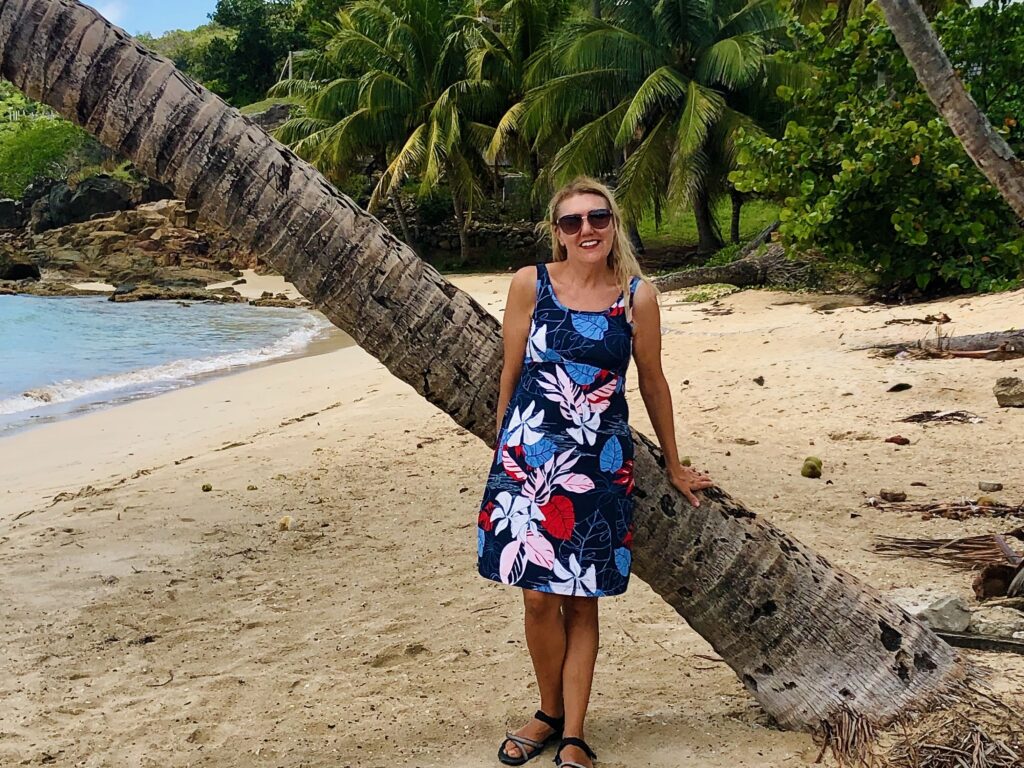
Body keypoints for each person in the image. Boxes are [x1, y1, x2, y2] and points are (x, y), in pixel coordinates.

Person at [476, 177, 713, 767]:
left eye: (597, 218)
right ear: (557, 233)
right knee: (538, 599)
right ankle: (548, 712)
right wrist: (503, 447)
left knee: (582, 600)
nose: (586, 229)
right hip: (529, 459)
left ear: (613, 225)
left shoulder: (636, 296)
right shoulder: (530, 284)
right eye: (572, 221)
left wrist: (674, 464)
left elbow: (652, 380)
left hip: (598, 465)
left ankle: (575, 733)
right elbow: (510, 371)